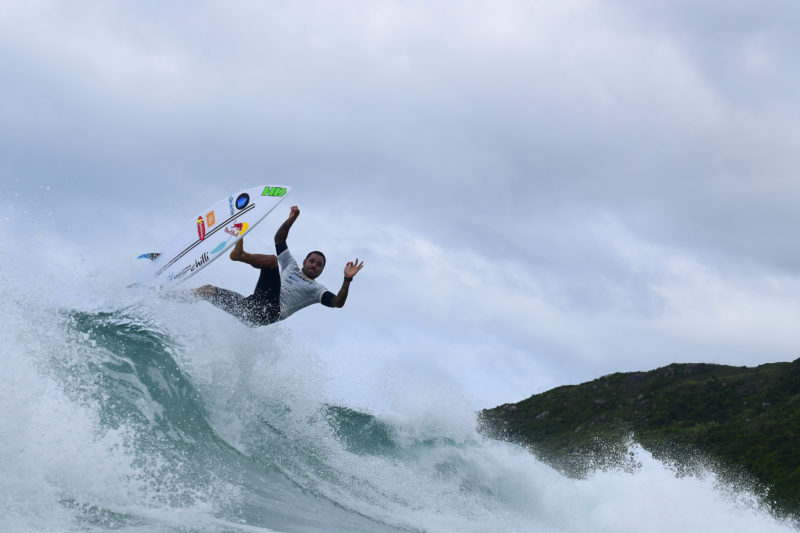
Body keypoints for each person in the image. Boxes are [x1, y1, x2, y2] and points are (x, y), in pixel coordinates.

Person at [193, 205, 364, 326]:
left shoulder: (317, 289)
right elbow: (279, 239)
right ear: (304, 261)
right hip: (250, 308)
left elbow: (337, 302)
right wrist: (291, 220)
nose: (314, 265)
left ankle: (240, 255)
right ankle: (171, 296)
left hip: (269, 313)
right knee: (207, 290)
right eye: (312, 261)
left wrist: (347, 279)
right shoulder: (291, 265)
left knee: (271, 261)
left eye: (319, 265)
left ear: (321, 271)